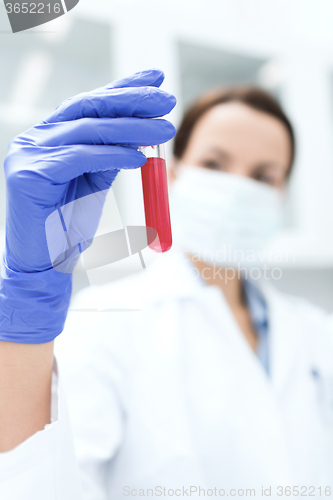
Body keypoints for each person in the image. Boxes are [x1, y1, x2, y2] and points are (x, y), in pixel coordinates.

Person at [0, 69, 332, 500]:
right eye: (214, 165)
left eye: (263, 176)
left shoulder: (316, 333)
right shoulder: (104, 321)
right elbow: (46, 485)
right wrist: (23, 327)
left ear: (282, 194)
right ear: (173, 175)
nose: (236, 189)